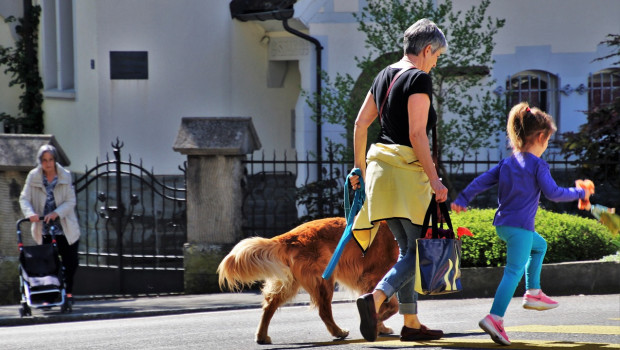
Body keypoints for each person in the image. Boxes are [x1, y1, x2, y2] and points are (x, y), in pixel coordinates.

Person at [451, 102, 593, 346]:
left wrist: (463, 198)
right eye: (548, 139)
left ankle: (534, 292)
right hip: (520, 229)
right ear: (540, 137)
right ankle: (495, 317)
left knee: (540, 246)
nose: (547, 144)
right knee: (513, 271)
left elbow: (481, 180)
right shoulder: (538, 165)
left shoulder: (507, 163)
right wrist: (580, 193)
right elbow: (554, 193)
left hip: (504, 226)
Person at [348, 18, 448, 342]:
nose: (435, 62)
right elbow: (417, 134)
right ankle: (375, 299)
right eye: (437, 56)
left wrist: (359, 171)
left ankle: (412, 324)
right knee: (419, 252)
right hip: (406, 172)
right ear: (428, 49)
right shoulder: (418, 79)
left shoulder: (383, 75)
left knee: (408, 250)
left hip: (379, 172)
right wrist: (435, 180)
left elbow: (361, 124)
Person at [19, 144, 81, 304]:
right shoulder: (34, 176)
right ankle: (50, 296)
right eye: (44, 160)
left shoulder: (65, 175)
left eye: (51, 160)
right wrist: (30, 213)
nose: (48, 163)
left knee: (71, 262)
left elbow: (70, 200)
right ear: (40, 161)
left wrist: (56, 213)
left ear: (55, 160)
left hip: (65, 227)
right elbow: (24, 198)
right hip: (44, 228)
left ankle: (68, 292)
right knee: (48, 264)